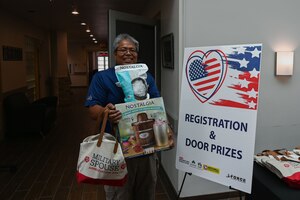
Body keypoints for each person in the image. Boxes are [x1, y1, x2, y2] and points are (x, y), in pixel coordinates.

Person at [84, 33, 160, 200]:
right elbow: (92, 109)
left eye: (132, 50)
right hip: (116, 150)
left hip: (146, 148)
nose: (128, 53)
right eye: (123, 49)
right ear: (114, 53)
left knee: (147, 192)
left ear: (137, 54)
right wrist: (106, 112)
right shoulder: (102, 77)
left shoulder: (146, 77)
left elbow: (156, 103)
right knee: (119, 195)